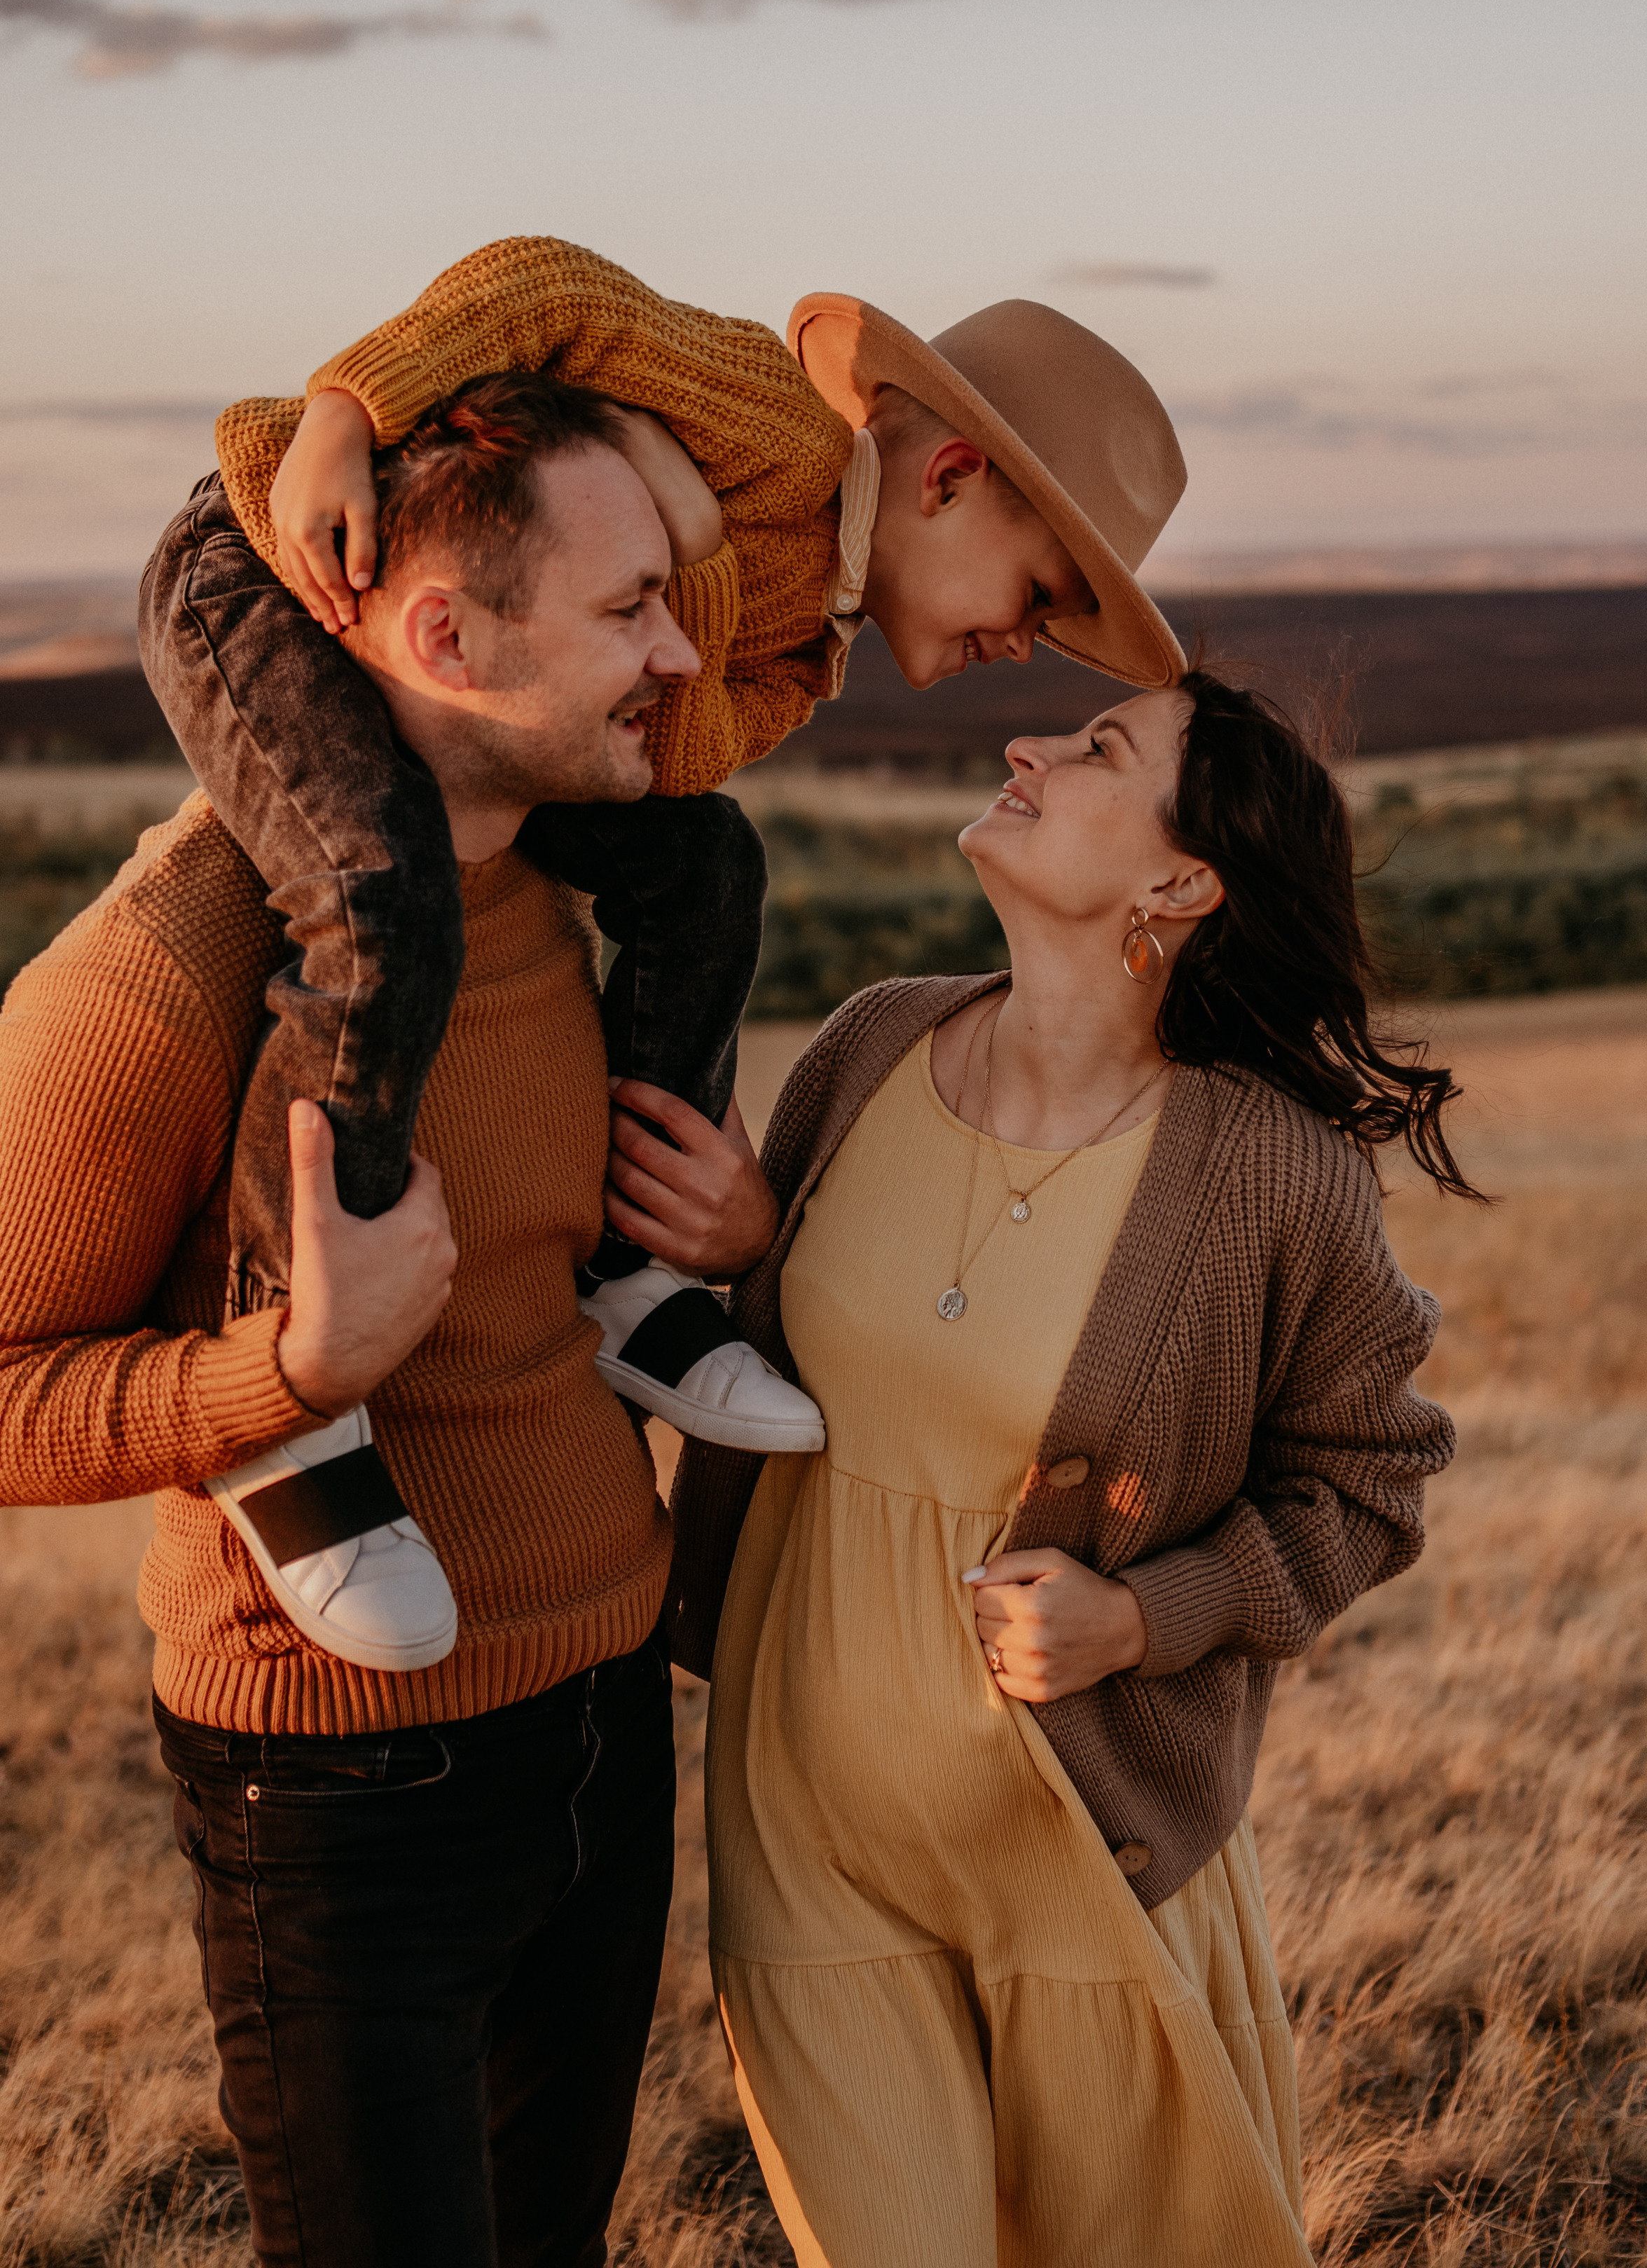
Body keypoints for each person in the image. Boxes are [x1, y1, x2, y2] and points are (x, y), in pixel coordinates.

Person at [137, 234, 1191, 1671]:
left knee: (708, 867)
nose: (1031, 643)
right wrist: (343, 415)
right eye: (1041, 590)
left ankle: (635, 1267)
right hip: (276, 567)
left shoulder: (799, 655)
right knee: (374, 894)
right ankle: (295, 1397)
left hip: (452, 674)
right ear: (947, 483)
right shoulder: (766, 423)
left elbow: (634, 765)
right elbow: (544, 287)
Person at [0, 372, 738, 2268]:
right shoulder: (178, 962)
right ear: (438, 635)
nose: (677, 655)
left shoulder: (582, 891)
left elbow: (546, 1277)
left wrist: (722, 1240)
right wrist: (289, 1378)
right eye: (624, 612)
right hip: (341, 1781)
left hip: (600, 1715)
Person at [621, 649, 1470, 2262]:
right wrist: (755, 1244)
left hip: (1079, 1864)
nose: (1022, 743)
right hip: (811, 1849)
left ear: (1178, 877)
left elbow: (1368, 1481)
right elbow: (809, 1366)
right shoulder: (868, 1049)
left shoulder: (1264, 1179)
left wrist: (1144, 1616)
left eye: (1091, 747)